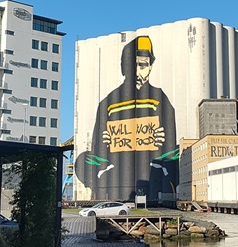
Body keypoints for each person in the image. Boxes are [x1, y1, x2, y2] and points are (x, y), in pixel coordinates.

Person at [74, 36, 178, 202]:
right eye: (132, 65)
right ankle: (105, 182)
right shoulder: (108, 103)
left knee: (181, 155)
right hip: (116, 165)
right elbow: (95, 149)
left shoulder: (160, 99)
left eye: (142, 65)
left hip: (151, 162)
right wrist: (103, 143)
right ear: (124, 68)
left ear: (151, 66)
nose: (137, 71)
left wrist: (163, 140)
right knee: (81, 160)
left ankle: (158, 182)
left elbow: (171, 147)